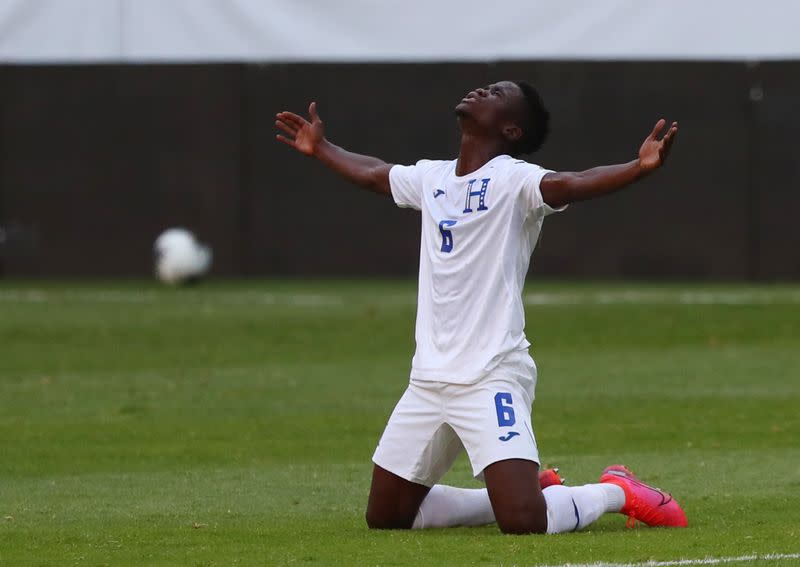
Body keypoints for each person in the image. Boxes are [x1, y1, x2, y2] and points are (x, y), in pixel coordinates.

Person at [275, 80, 686, 534]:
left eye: (494, 93)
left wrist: (637, 167)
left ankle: (618, 491)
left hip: (491, 373)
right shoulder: (433, 177)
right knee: (388, 517)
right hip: (429, 379)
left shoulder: (515, 180)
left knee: (525, 522)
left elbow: (569, 184)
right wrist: (322, 147)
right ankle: (518, 492)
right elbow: (375, 173)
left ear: (511, 129)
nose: (479, 90)